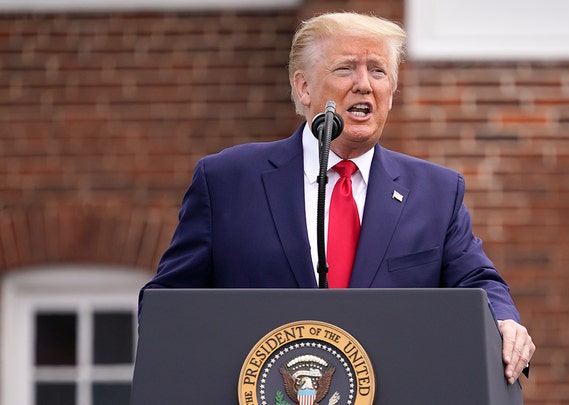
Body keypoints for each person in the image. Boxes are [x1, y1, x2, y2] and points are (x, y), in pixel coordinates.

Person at [140, 11, 534, 385]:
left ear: (391, 94)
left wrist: (504, 321)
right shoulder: (227, 181)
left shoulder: (436, 191)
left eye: (378, 71)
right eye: (346, 68)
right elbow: (167, 302)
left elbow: (477, 281)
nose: (364, 84)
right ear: (304, 87)